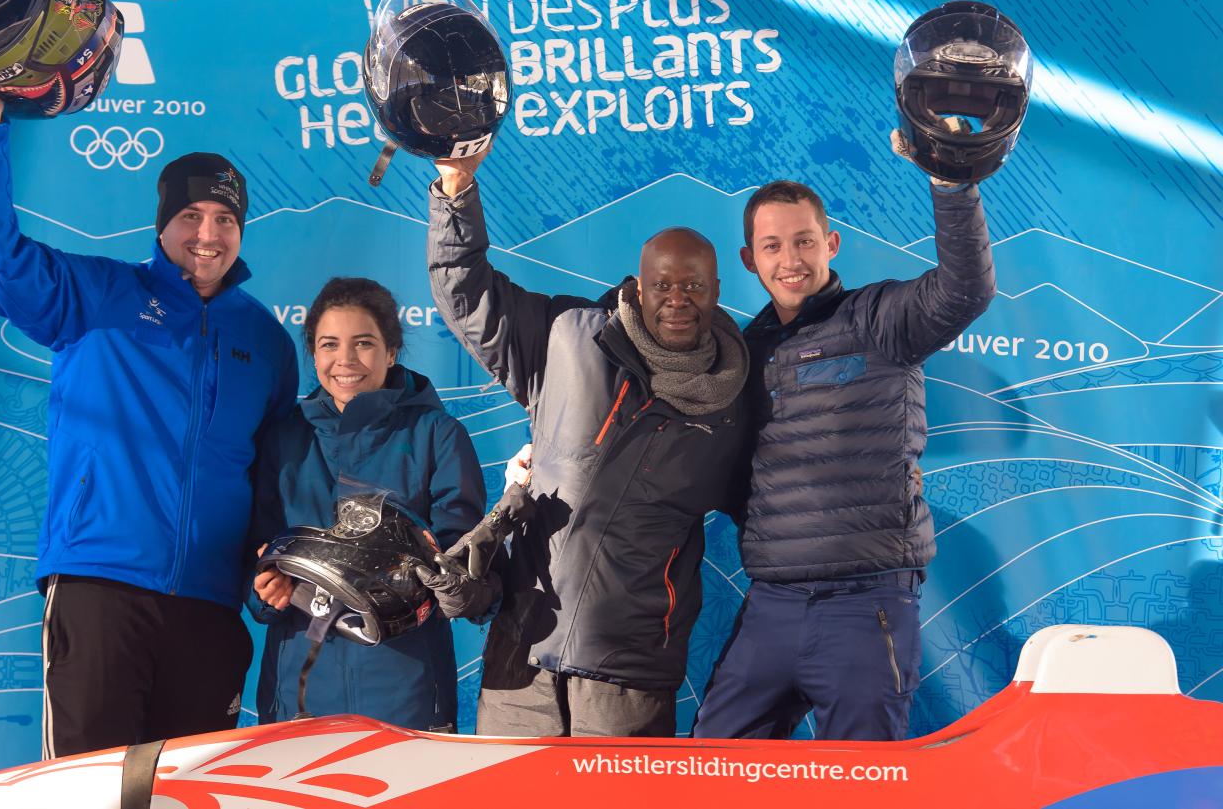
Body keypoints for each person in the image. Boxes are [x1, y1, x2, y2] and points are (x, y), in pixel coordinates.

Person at [0, 46, 299, 757]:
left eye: (225, 218)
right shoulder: (100, 295)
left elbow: (274, 475)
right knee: (88, 791)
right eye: (191, 214)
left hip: (208, 607)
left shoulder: (266, 339)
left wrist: (271, 565)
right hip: (100, 586)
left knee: (187, 797)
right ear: (163, 223)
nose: (208, 233)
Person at [425, 149, 751, 738]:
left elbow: (775, 507)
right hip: (520, 661)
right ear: (639, 284)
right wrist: (456, 188)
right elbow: (468, 295)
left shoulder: (737, 402)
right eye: (662, 284)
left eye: (693, 285)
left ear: (717, 289)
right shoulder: (567, 337)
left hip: (628, 680)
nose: (677, 298)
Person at [692, 132, 997, 742]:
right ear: (750, 259)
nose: (791, 260)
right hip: (771, 605)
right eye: (773, 246)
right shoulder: (744, 355)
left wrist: (952, 184)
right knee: (713, 772)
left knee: (862, 788)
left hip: (866, 605)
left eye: (805, 241)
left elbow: (967, 289)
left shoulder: (880, 318)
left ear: (830, 243)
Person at [249, 277, 488, 731]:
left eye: (364, 343)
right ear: (313, 354)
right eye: (329, 344)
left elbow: (463, 558)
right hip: (298, 687)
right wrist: (265, 586)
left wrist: (421, 570)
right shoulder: (283, 438)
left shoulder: (437, 435)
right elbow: (255, 549)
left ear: (391, 351)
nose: (346, 360)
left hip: (406, 683)